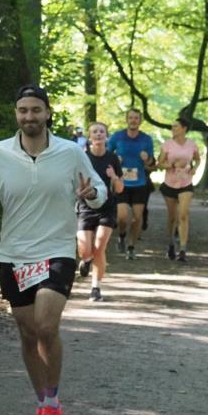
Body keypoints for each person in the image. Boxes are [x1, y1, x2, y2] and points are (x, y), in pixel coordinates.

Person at [0, 85, 106, 415]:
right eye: (23, 110)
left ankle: (54, 406)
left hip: (57, 250)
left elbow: (99, 190)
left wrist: (92, 193)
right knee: (28, 333)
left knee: (45, 326)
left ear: (48, 113)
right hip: (14, 255)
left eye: (36, 110)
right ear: (17, 114)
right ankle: (42, 404)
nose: (29, 116)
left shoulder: (70, 152)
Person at [76, 122, 124, 301]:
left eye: (101, 132)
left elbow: (120, 189)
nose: (98, 134)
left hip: (107, 208)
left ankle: (95, 288)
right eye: (94, 132)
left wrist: (114, 177)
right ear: (89, 137)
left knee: (99, 248)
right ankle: (86, 260)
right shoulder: (82, 158)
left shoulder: (112, 158)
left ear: (106, 136)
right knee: (85, 251)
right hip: (85, 207)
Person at [108, 108, 155, 260]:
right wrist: (115, 160)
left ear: (140, 121)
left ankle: (131, 247)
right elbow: (107, 155)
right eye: (131, 118)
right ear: (126, 119)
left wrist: (147, 158)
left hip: (139, 183)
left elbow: (151, 162)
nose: (133, 120)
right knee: (121, 217)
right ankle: (121, 236)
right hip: (122, 183)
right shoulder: (117, 136)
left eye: (136, 118)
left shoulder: (146, 139)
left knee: (137, 218)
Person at [157, 117, 201, 263]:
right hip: (170, 184)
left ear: (184, 128)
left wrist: (194, 168)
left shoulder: (192, 144)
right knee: (172, 218)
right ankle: (170, 244)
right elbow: (159, 164)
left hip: (186, 183)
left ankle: (182, 250)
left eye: (176, 126)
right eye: (173, 126)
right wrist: (172, 165)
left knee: (183, 215)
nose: (173, 129)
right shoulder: (167, 144)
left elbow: (197, 159)